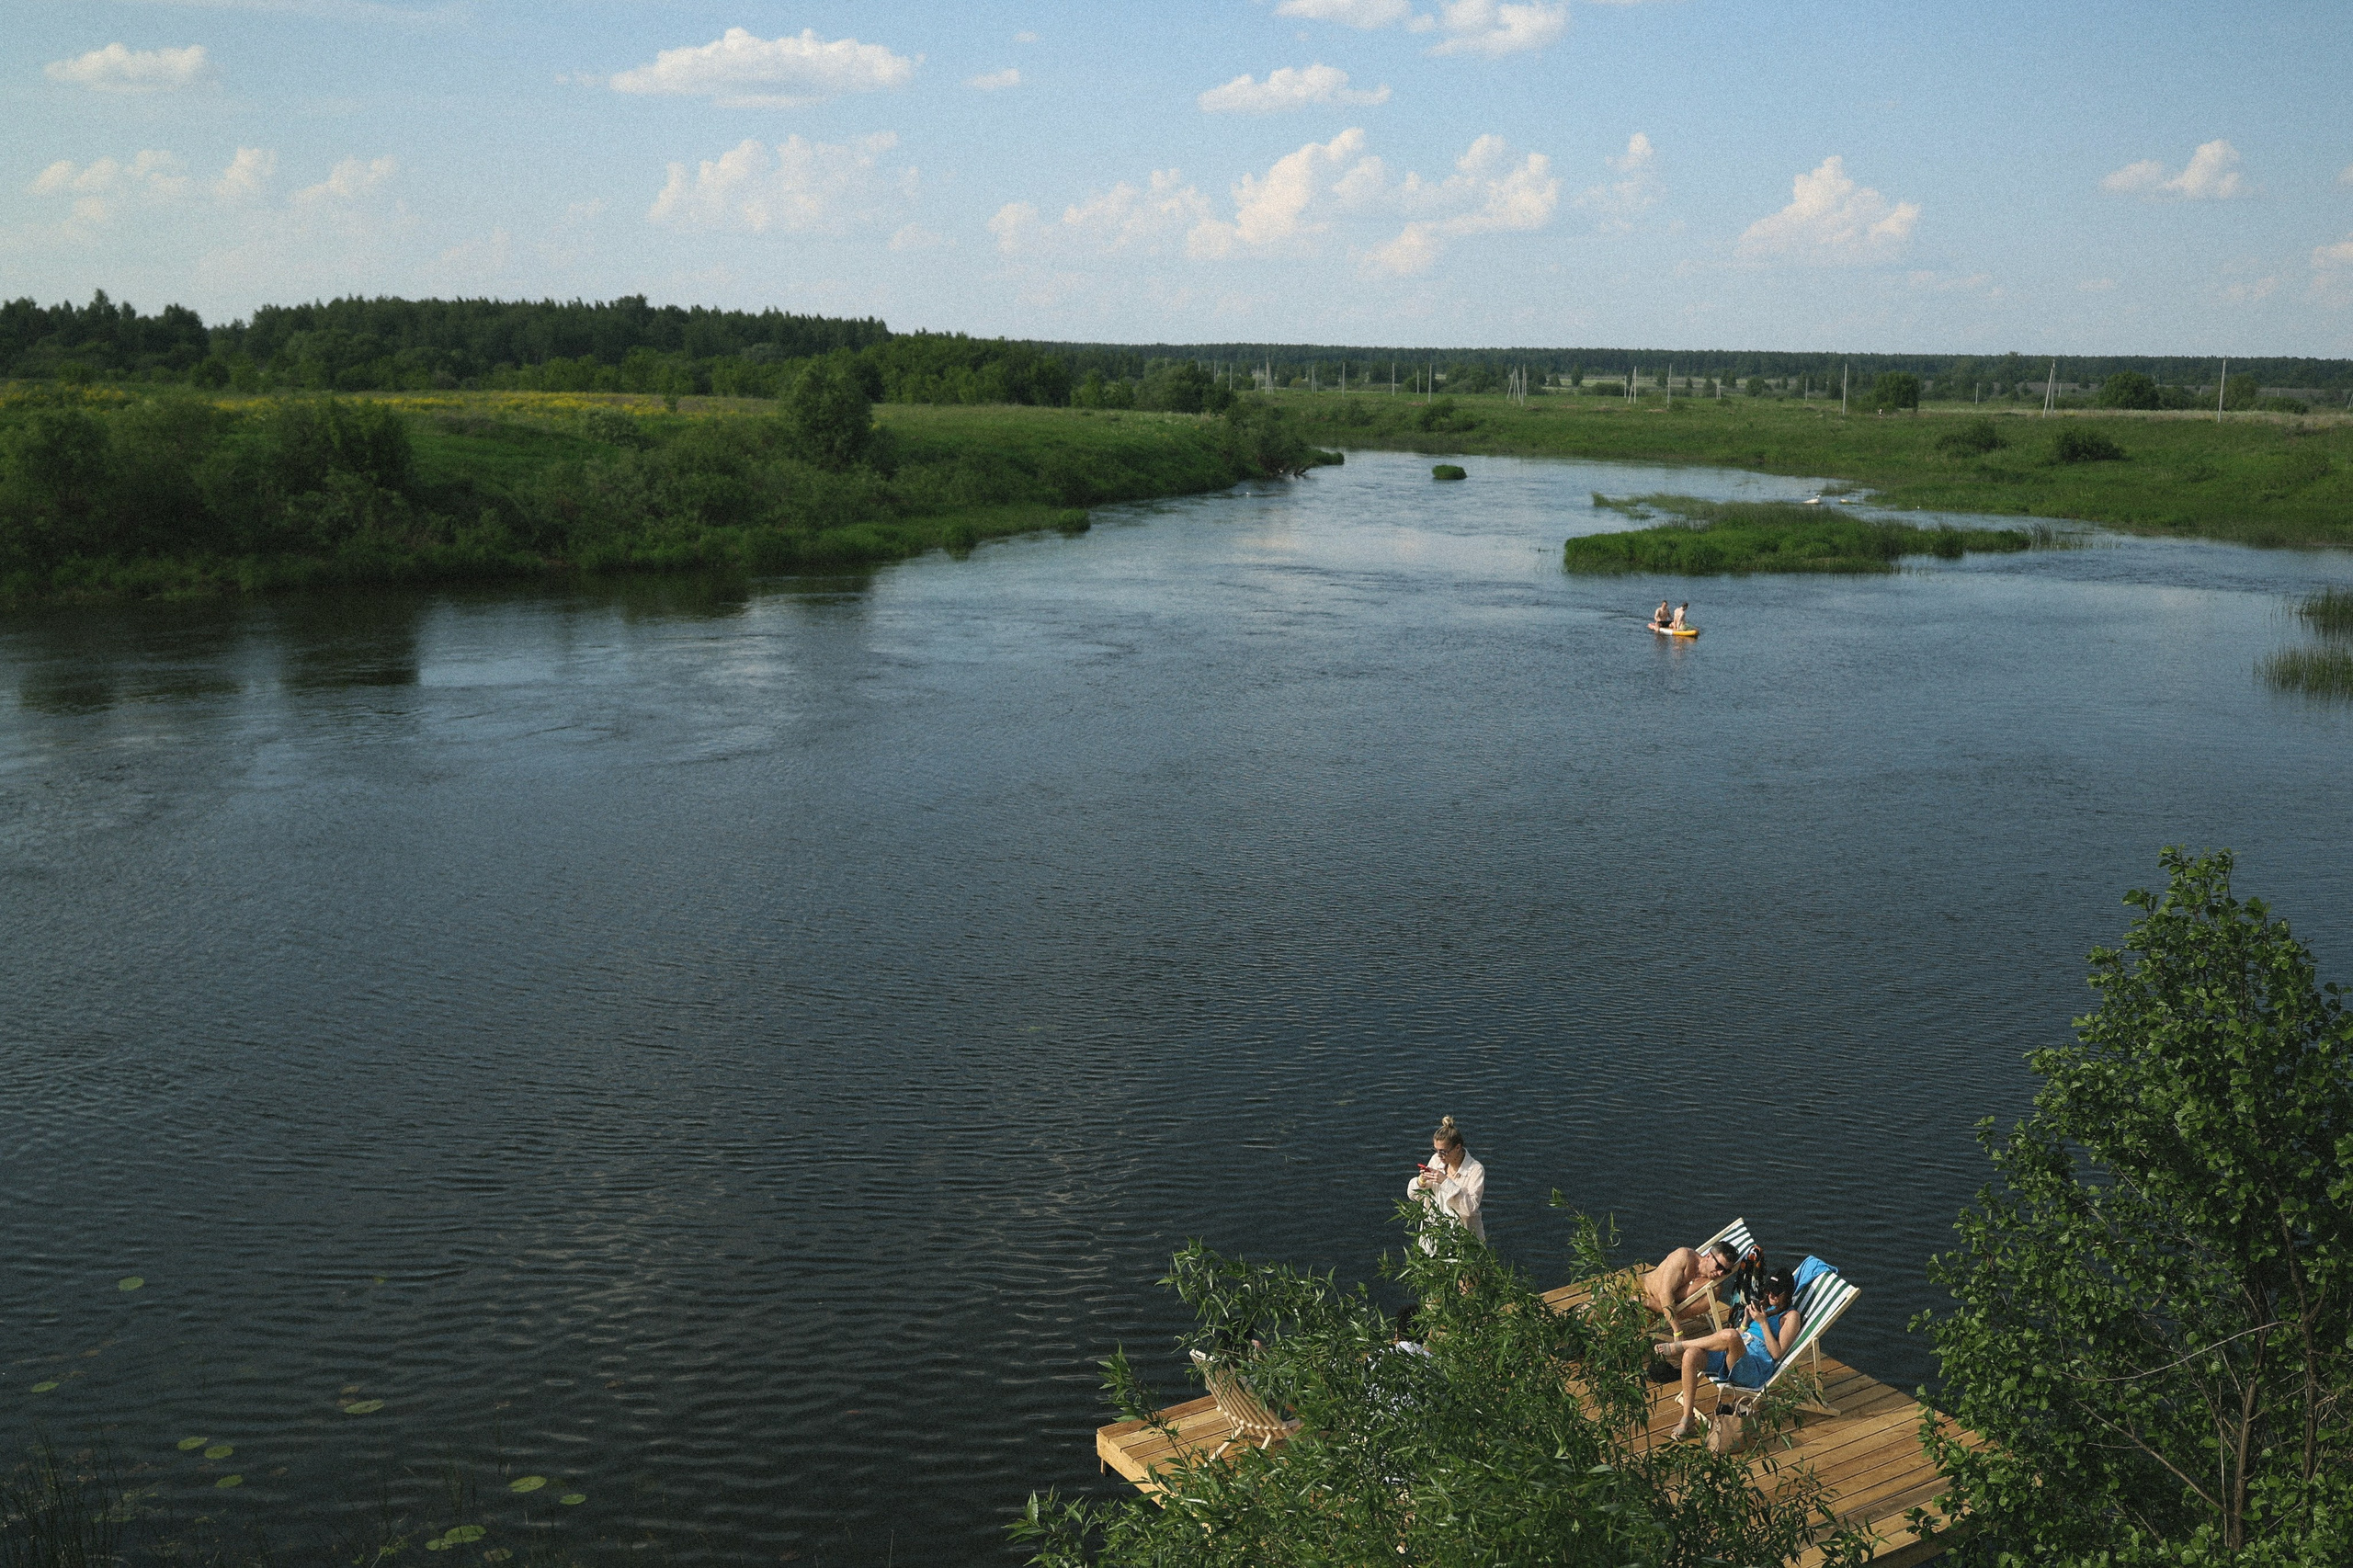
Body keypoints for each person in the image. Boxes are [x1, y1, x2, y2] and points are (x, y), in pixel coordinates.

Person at [1653, 1267, 1802, 1439]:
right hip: (1735, 1352)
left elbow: (1777, 1353)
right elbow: (1741, 1334)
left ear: (1787, 1294)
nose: (1770, 1296)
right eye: (1768, 1291)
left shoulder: (1791, 1316)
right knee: (1691, 1355)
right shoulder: (1764, 1307)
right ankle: (1688, 1418)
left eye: (1776, 1293)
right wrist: (1746, 1321)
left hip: (1753, 1368)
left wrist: (1763, 1323)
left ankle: (1681, 1344)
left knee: (1730, 1335)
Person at [1407, 1115, 1485, 1242]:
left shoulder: (1475, 1170)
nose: (1439, 1156)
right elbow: (1414, 1196)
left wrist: (1445, 1182)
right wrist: (1421, 1181)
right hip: (1434, 1237)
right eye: (1436, 1150)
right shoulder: (1436, 1161)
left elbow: (1469, 1210)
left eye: (1443, 1152)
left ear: (1458, 1148)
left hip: (1463, 1240)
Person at [1643, 1240, 1739, 1328]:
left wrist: (1649, 1303)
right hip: (1641, 1288)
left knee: (1639, 1325)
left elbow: (1682, 1314)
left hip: (1650, 1307)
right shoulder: (1684, 1256)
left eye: (1726, 1271)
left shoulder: (1714, 1289)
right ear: (1708, 1256)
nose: (1720, 1273)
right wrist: (1677, 1332)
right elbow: (1664, 1292)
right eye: (1719, 1266)